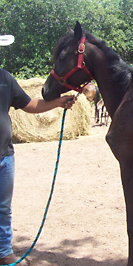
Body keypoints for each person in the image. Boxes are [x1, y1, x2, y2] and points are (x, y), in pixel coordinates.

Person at [0, 67, 75, 265]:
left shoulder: (5, 78)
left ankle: (4, 252)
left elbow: (28, 104)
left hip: (4, 156)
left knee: (3, 208)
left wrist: (57, 102)